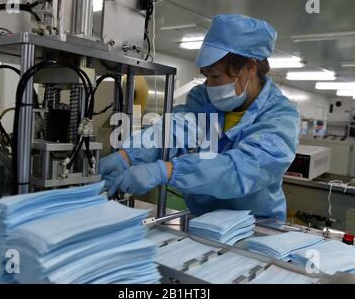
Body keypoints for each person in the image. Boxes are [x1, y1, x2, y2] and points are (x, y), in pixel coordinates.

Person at [99, 14, 300, 222]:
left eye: (215, 76)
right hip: (202, 222)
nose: (209, 85)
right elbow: (176, 130)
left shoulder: (280, 117)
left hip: (254, 227)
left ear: (249, 69)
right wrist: (129, 156)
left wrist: (167, 171)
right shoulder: (203, 98)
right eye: (206, 76)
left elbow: (241, 171)